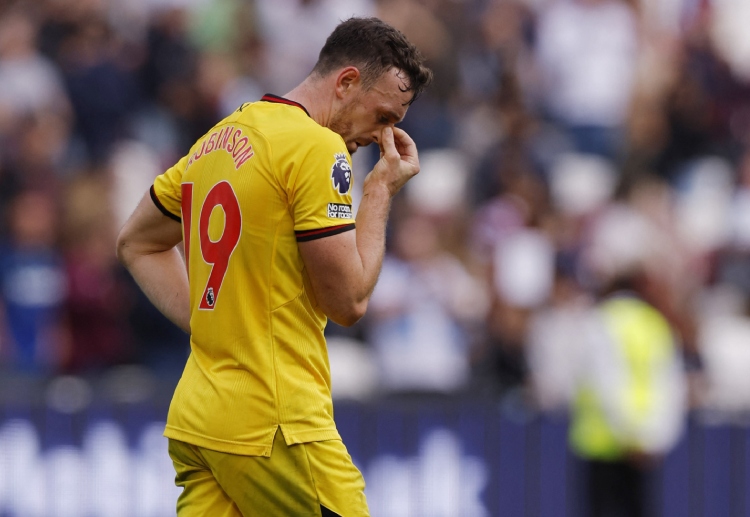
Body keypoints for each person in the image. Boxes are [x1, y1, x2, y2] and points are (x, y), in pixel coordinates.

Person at [116, 16, 431, 517]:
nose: (384, 135)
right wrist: (378, 193)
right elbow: (348, 301)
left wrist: (211, 324)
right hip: (274, 421)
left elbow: (137, 243)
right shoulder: (316, 146)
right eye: (384, 115)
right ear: (347, 82)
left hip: (201, 418)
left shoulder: (218, 138)